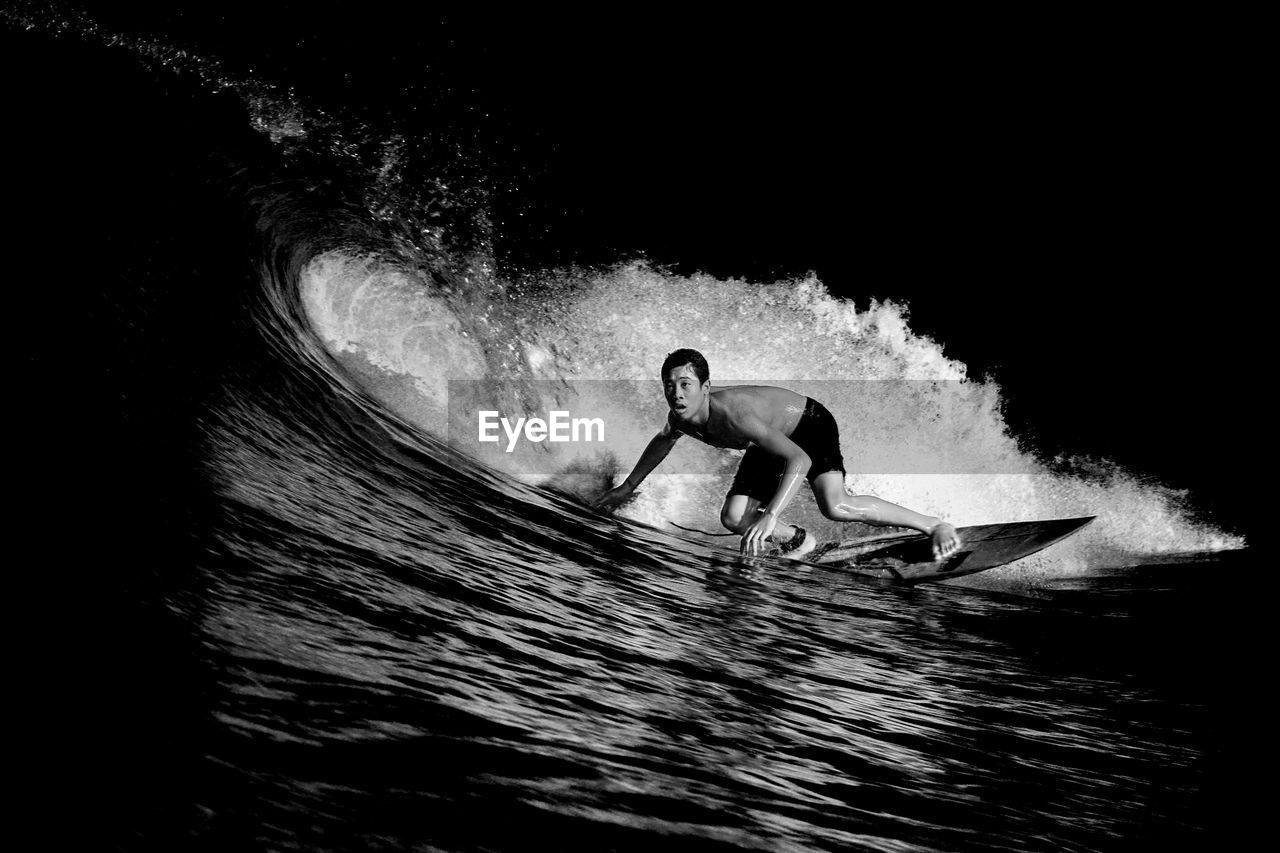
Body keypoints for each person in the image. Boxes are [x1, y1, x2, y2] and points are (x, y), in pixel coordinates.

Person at [592, 348, 962, 560]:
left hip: (809, 424)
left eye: (685, 385)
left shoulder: (736, 415)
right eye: (669, 386)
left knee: (835, 506)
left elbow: (799, 459)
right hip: (770, 440)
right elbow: (662, 440)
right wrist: (628, 487)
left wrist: (770, 515)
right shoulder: (681, 417)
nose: (676, 394)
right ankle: (800, 541)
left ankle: (934, 524)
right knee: (734, 517)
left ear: (706, 387)